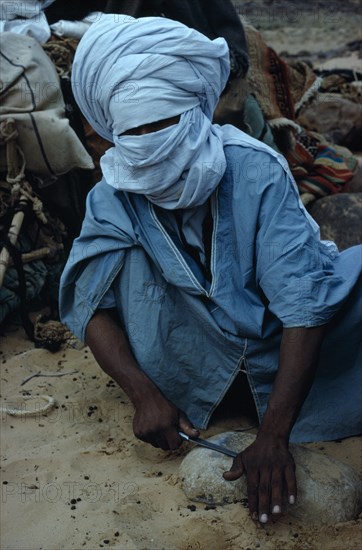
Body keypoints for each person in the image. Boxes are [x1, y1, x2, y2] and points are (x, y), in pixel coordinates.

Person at [59, 14, 362, 524]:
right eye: (137, 133)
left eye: (165, 126)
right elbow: (89, 304)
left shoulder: (255, 170)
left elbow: (303, 307)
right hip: (190, 359)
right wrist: (144, 396)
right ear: (112, 132)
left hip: (283, 348)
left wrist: (272, 438)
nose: (153, 145)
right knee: (116, 257)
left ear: (196, 113)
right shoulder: (112, 196)